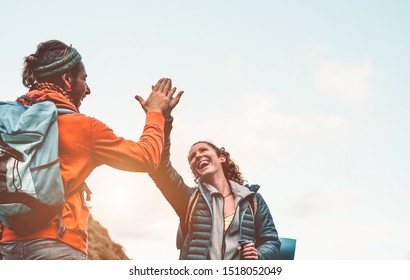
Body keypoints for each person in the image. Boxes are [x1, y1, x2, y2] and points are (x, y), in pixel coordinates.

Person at [0, 39, 183, 260]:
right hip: (57, 246)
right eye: (83, 79)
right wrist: (155, 113)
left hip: (8, 246)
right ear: (67, 79)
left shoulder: (8, 122)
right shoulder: (83, 127)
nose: (88, 88)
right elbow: (147, 158)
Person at [147, 101, 281, 260]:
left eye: (203, 150)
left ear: (221, 158)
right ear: (194, 169)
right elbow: (160, 167)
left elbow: (271, 240)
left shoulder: (253, 200)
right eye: (192, 157)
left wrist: (259, 254)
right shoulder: (189, 199)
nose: (197, 156)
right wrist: (164, 119)